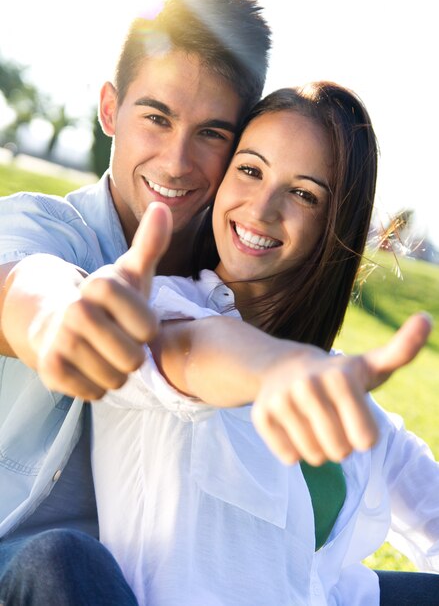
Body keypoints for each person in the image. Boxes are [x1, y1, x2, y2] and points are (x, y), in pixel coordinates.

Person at [90, 83, 438, 606]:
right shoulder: (166, 311)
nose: (262, 207)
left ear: (333, 223)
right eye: (250, 170)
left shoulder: (347, 399)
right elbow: (192, 353)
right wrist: (277, 369)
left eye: (303, 193)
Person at [0, 0, 271, 605]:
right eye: (156, 118)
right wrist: (59, 326)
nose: (176, 163)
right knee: (64, 561)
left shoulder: (232, 278)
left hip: (176, 582)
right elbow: (21, 285)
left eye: (211, 133)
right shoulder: (47, 228)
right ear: (109, 109)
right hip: (25, 565)